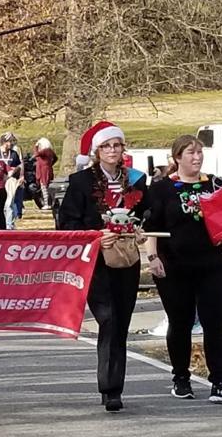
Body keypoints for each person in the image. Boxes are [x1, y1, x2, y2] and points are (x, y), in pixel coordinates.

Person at [143, 134, 222, 404]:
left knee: (214, 323)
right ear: (177, 158)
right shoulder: (162, 188)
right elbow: (151, 227)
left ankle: (220, 382)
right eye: (190, 153)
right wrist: (153, 257)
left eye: (200, 152)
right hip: (174, 264)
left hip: (211, 264)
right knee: (181, 322)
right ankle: (181, 377)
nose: (197, 157)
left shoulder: (215, 184)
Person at [57, 121, 149, 412]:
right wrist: (98, 236)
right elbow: (67, 224)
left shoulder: (136, 180)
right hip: (96, 262)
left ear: (123, 149)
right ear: (97, 151)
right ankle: (109, 388)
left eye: (117, 145)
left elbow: (147, 214)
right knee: (108, 319)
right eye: (106, 146)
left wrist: (142, 229)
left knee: (121, 322)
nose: (112, 150)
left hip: (126, 259)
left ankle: (115, 387)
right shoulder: (81, 182)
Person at [0, 132, 22, 230]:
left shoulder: (13, 154)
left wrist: (18, 174)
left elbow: (16, 168)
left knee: (9, 205)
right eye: (9, 141)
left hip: (8, 183)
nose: (11, 143)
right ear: (4, 142)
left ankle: (9, 226)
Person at [33, 138, 57, 211]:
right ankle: (49, 203)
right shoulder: (50, 151)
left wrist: (36, 146)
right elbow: (56, 158)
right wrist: (50, 164)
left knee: (44, 187)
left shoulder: (44, 151)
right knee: (46, 187)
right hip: (48, 169)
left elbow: (36, 154)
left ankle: (47, 204)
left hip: (43, 171)